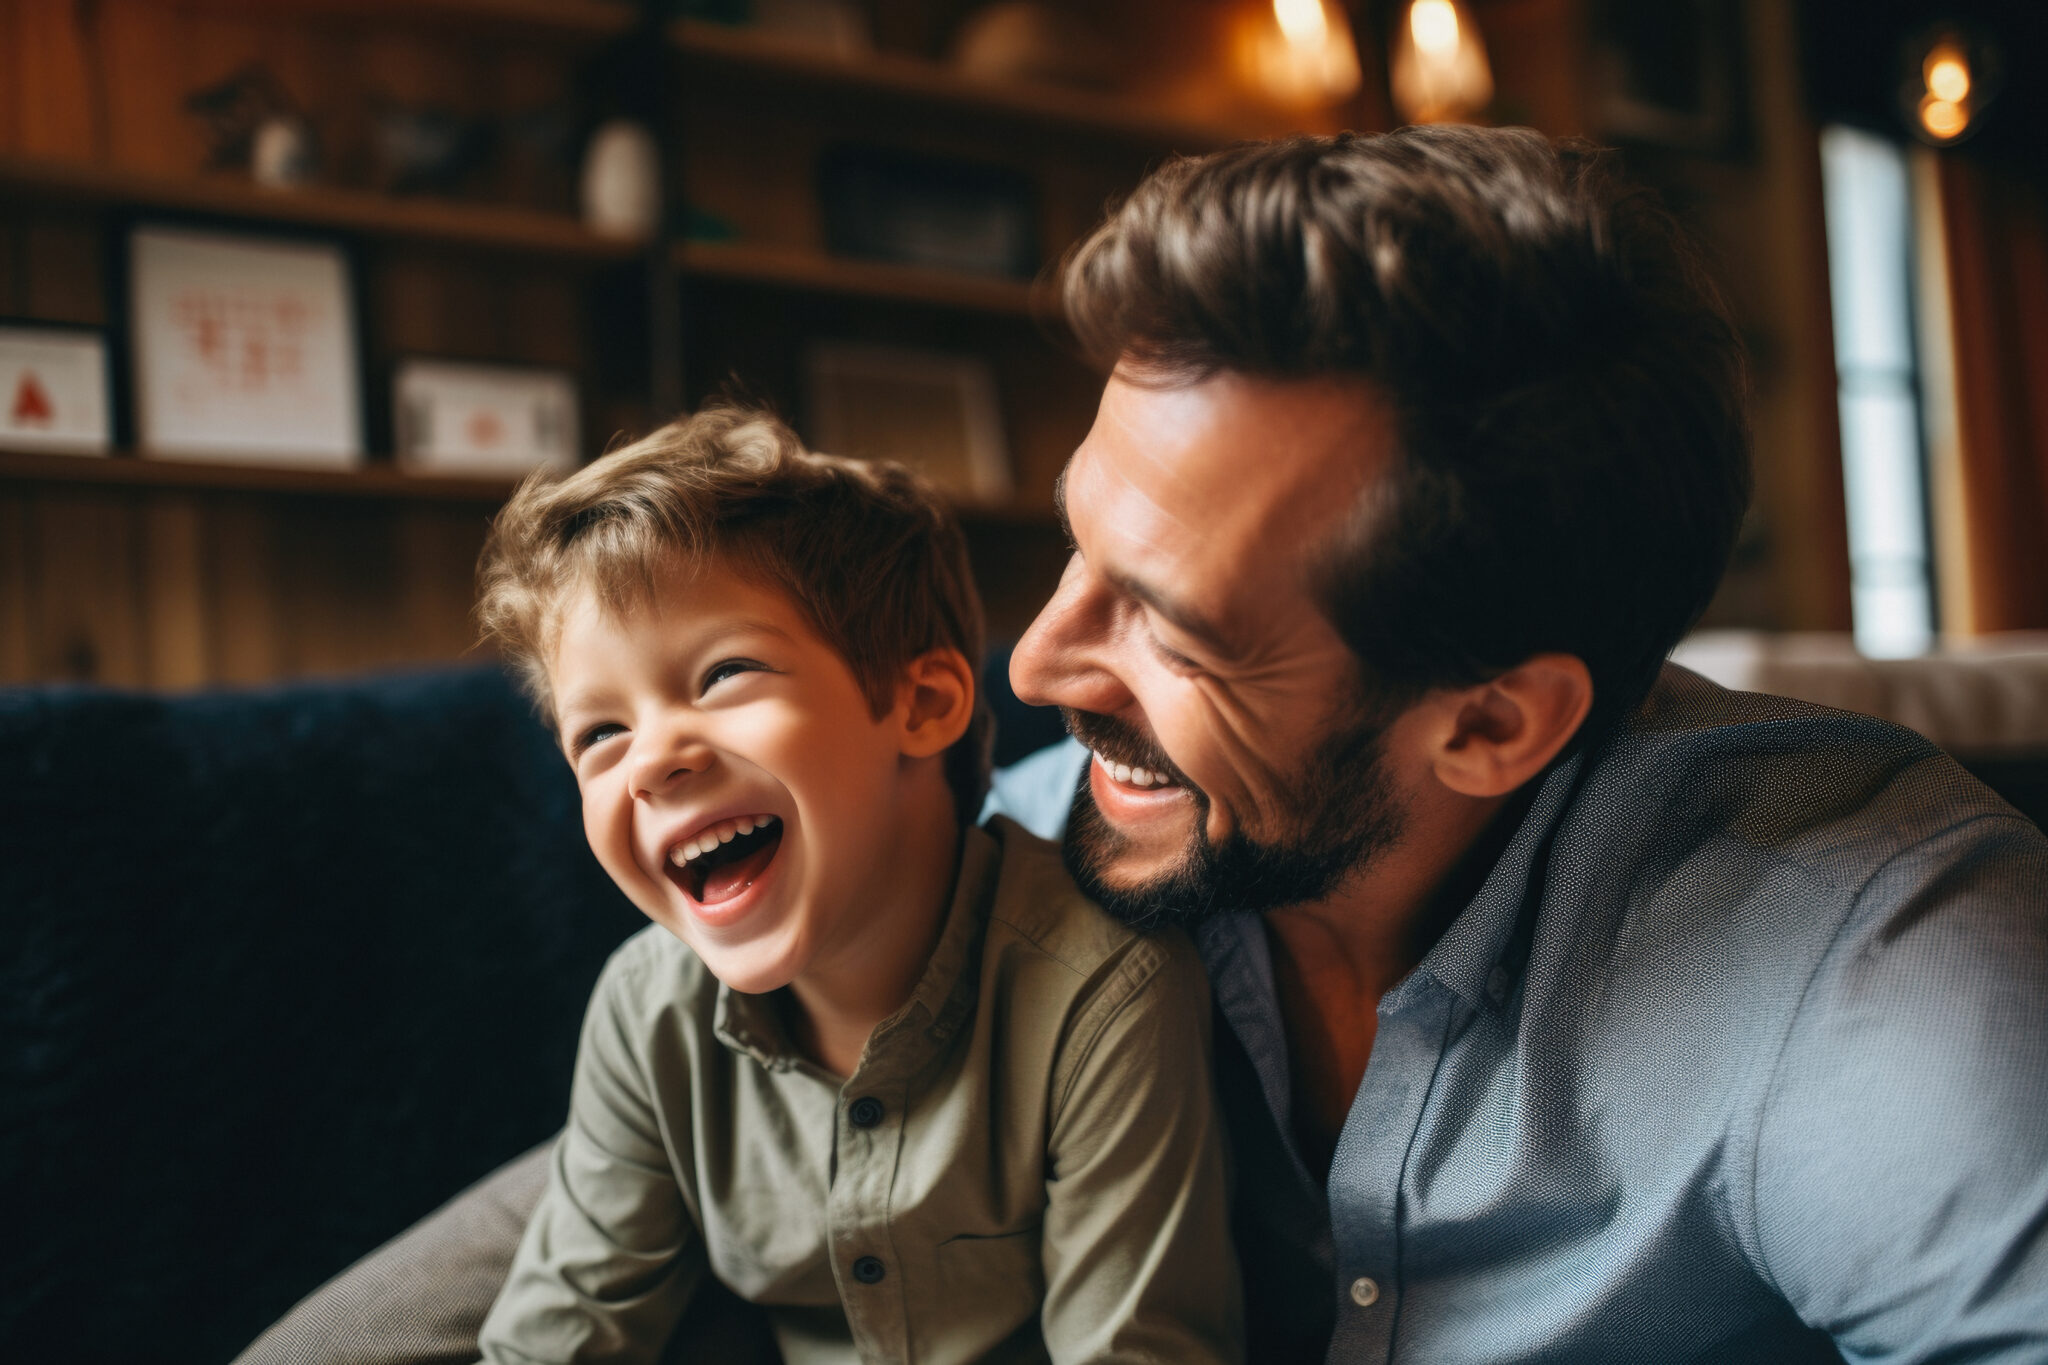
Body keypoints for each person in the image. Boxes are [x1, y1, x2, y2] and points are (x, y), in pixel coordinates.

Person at [239, 126, 2048, 1365]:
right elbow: (521, 1258)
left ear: (1489, 720)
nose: (1030, 662)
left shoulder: (1863, 963)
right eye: (1071, 546)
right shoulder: (1017, 864)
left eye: (1164, 624)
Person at [456, 407, 1240, 1364]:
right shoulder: (644, 1009)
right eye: (600, 734)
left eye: (724, 673)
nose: (651, 760)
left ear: (921, 703)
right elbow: (559, 1336)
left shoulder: (1104, 990)